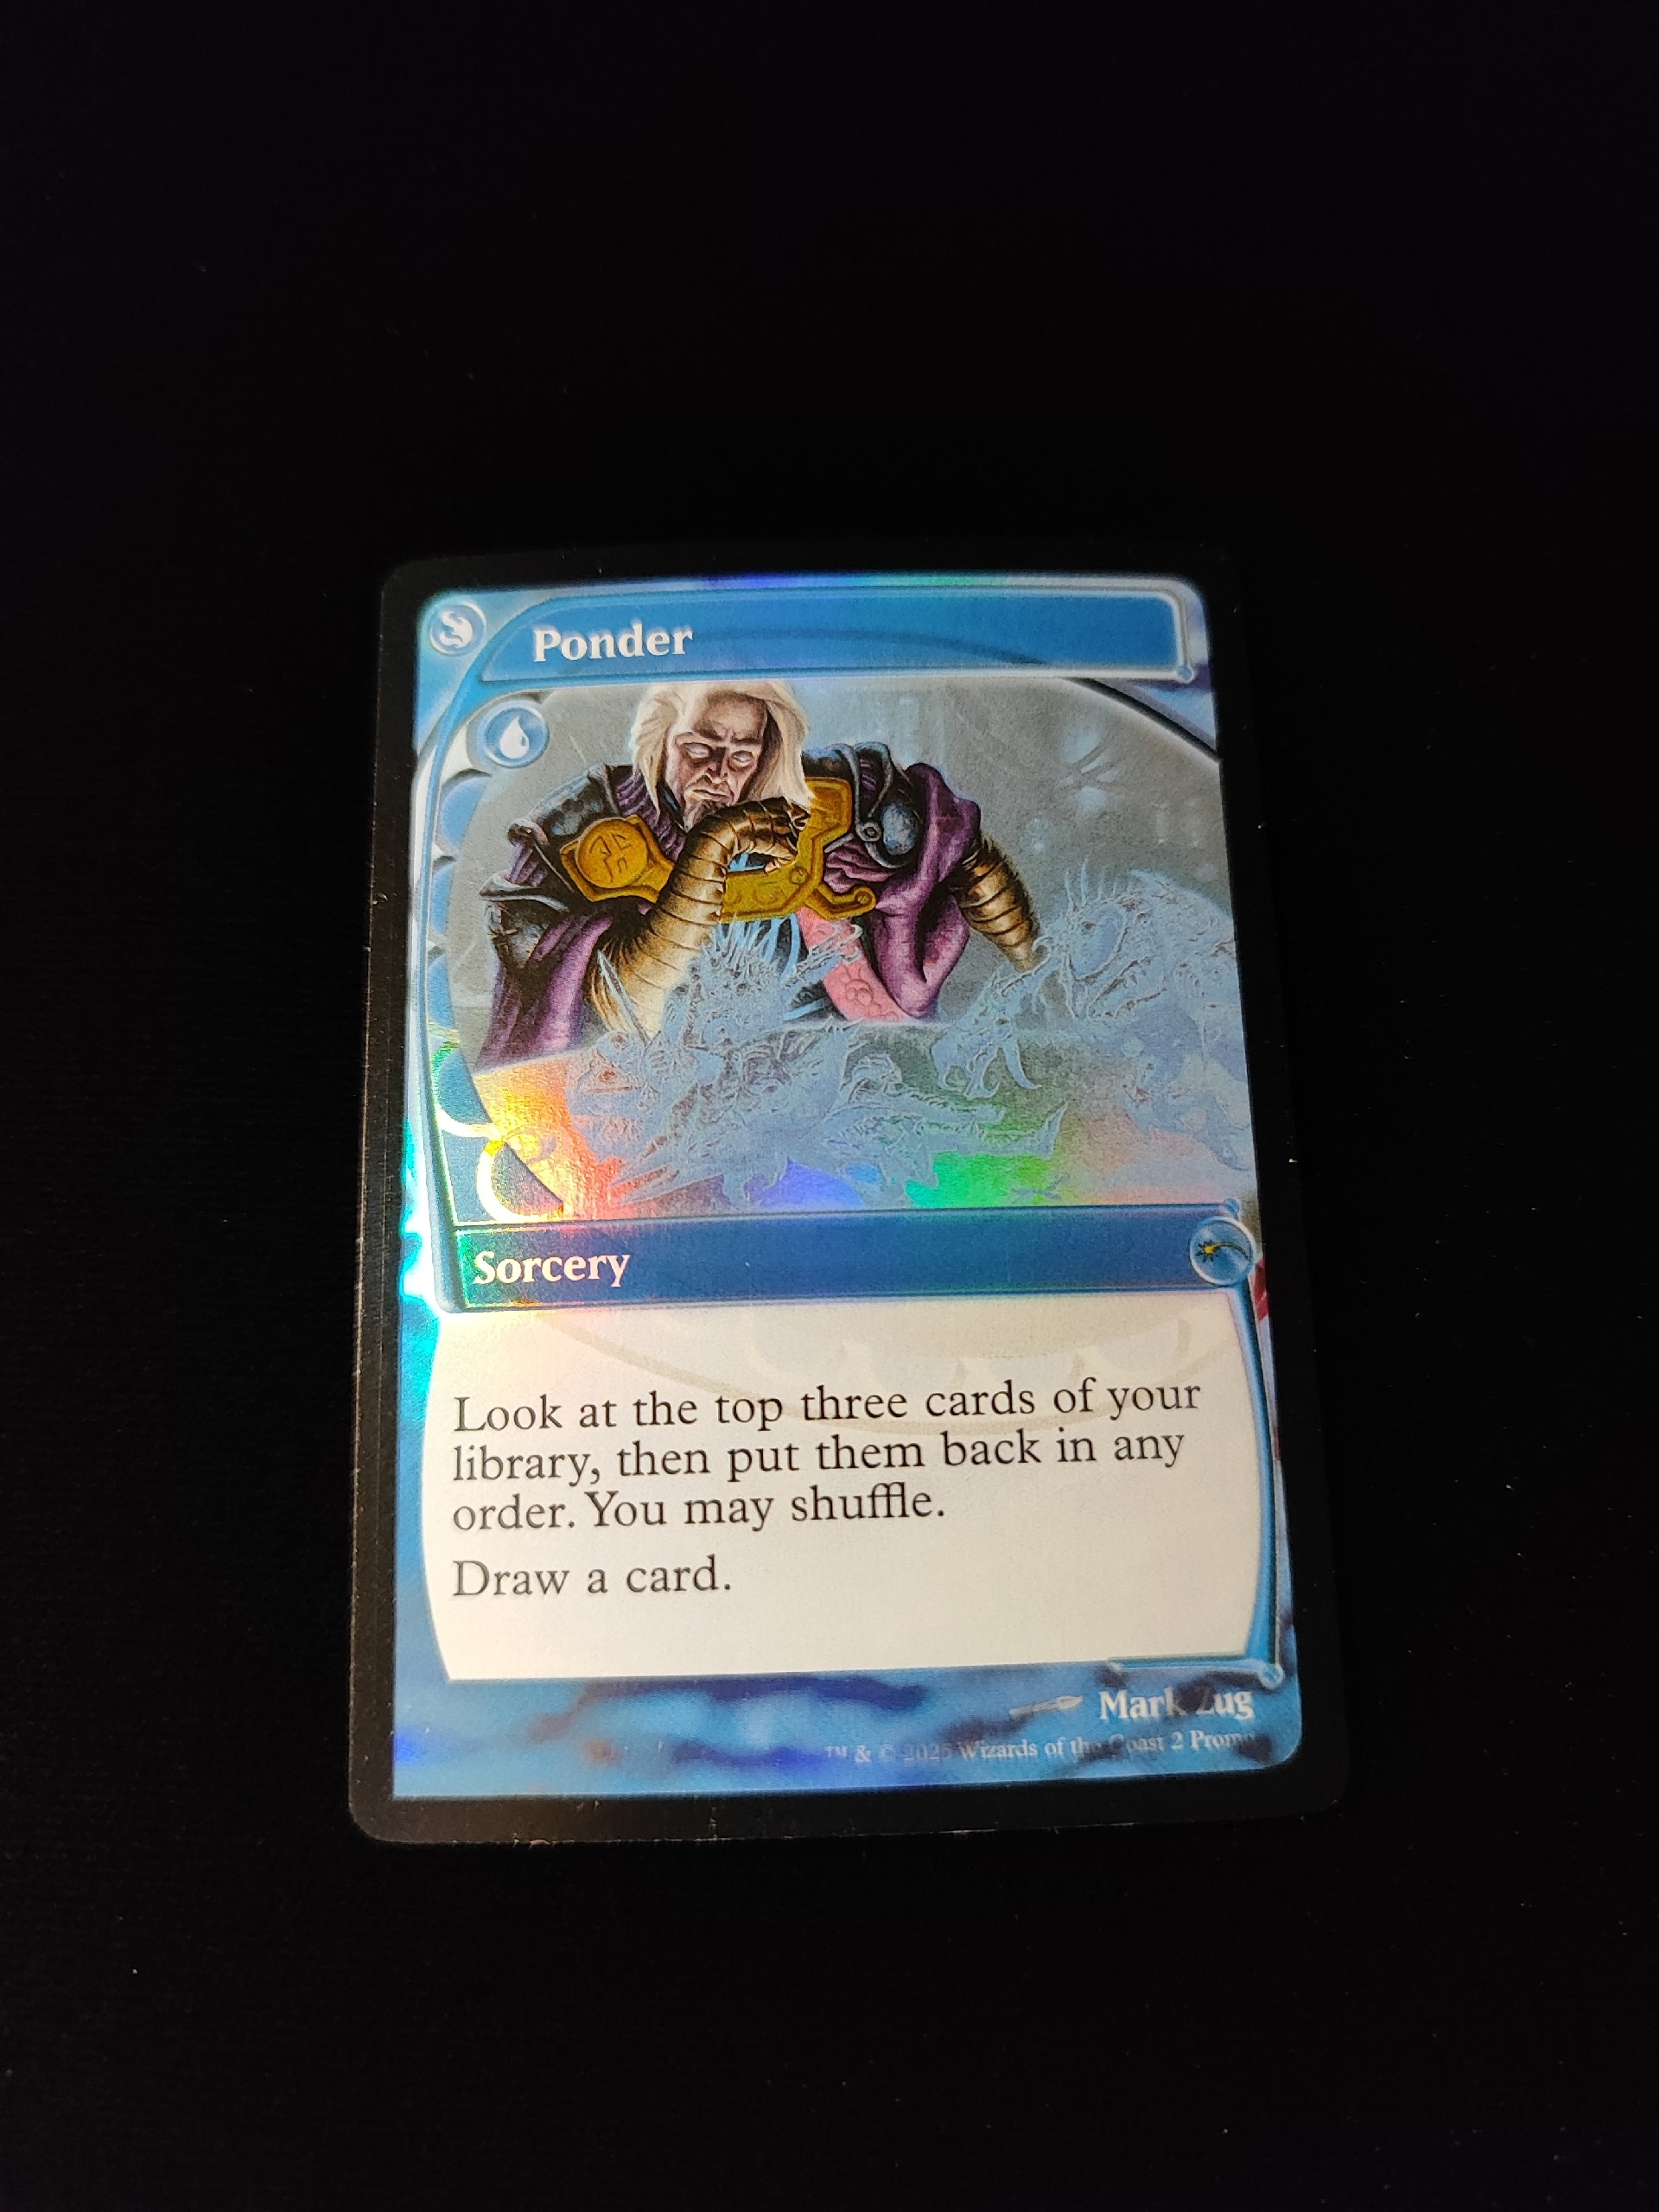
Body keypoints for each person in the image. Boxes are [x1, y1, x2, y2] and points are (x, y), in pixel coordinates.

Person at [476, 678, 1039, 1068]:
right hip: (656, 1082)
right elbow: (618, 1008)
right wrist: (711, 849)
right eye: (699, 749)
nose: (719, 773)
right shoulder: (581, 829)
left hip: (823, 1065)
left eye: (741, 756)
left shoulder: (833, 799)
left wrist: (1039, 970)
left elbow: (966, 853)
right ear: (661, 741)